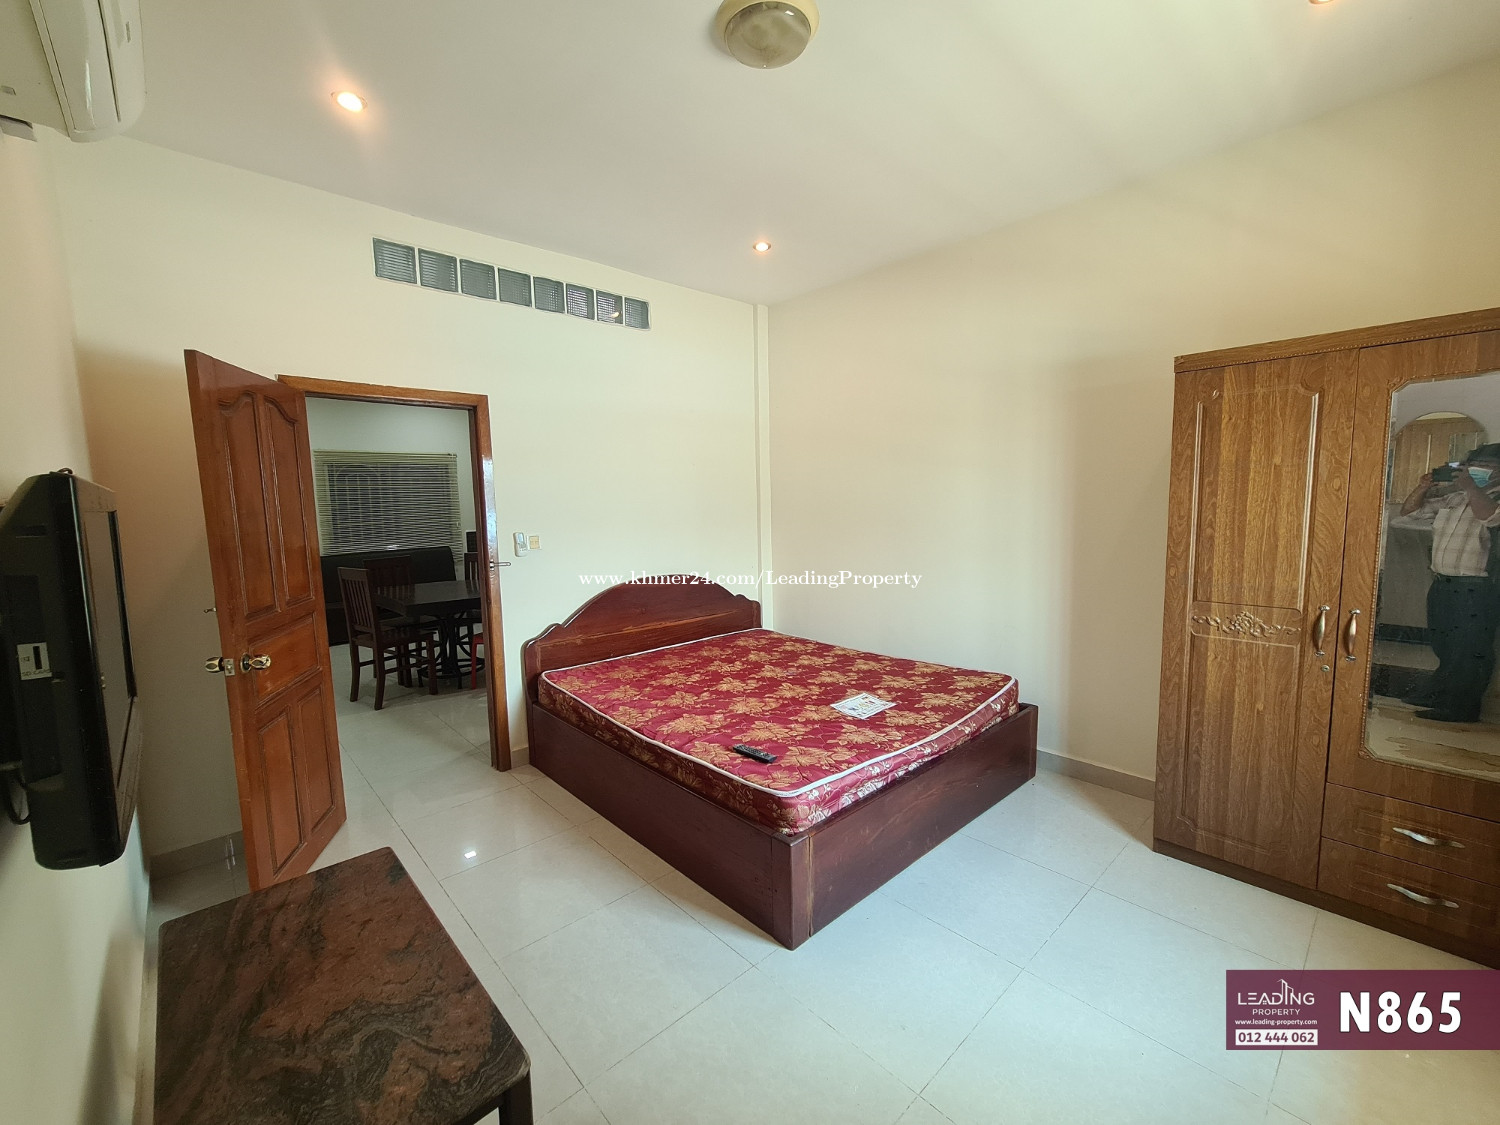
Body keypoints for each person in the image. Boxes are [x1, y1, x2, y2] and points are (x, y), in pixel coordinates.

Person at [1397, 443, 1500, 722]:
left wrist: (1471, 488)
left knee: (1470, 649)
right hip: (1443, 583)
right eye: (1474, 465)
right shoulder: (1454, 498)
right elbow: (1409, 513)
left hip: (1477, 588)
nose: (1477, 470)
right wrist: (1423, 487)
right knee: (1445, 645)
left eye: (1486, 465)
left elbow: (1491, 517)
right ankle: (1441, 695)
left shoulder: (1492, 497)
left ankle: (1461, 708)